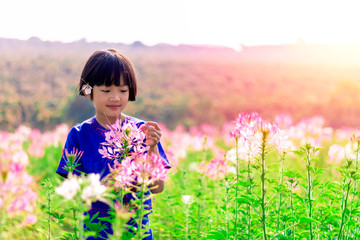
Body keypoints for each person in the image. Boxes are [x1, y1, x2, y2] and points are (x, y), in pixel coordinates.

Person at [56, 49, 171, 239]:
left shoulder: (142, 130)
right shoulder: (78, 135)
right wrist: (103, 188)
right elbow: (74, 193)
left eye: (123, 90)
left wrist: (152, 147)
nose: (115, 97)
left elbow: (157, 187)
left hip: (137, 233)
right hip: (96, 233)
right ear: (88, 91)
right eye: (106, 90)